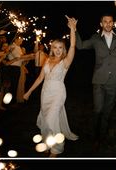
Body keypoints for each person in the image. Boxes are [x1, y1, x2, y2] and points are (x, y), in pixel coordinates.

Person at [69, 10, 116, 144]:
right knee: (98, 109)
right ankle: (95, 135)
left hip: (115, 80)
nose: (108, 24)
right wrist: (74, 29)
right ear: (101, 23)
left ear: (112, 23)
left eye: (110, 21)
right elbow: (80, 45)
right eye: (105, 22)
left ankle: (102, 136)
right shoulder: (95, 38)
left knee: (107, 111)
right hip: (99, 80)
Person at [24, 20, 78, 156]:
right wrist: (28, 92)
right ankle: (48, 142)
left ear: (63, 49)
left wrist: (72, 28)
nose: (58, 50)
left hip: (58, 93)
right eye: (55, 47)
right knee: (46, 120)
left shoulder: (65, 61)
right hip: (45, 93)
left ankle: (57, 149)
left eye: (61, 47)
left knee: (50, 120)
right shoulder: (47, 60)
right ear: (52, 48)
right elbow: (40, 78)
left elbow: (72, 46)